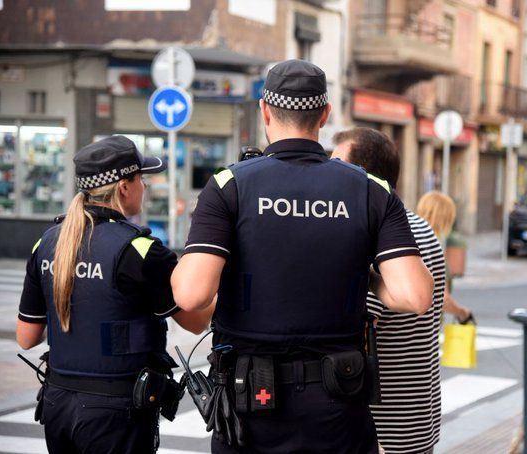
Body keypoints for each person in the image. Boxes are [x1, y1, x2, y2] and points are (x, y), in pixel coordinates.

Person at [171, 59, 434, 453]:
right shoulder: (371, 191)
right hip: (338, 406)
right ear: (324, 114)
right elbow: (415, 297)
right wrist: (360, 269)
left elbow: (191, 296)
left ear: (264, 111)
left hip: (251, 407)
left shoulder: (229, 186)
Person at [16, 136, 215, 454]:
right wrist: (216, 280)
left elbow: (26, 337)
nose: (145, 188)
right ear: (125, 186)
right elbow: (195, 320)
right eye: (142, 179)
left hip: (58, 404)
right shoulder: (140, 251)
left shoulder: (47, 244)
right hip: (117, 414)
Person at [332, 127, 445, 454]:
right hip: (414, 418)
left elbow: (353, 324)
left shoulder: (387, 239)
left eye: (336, 165)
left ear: (360, 177)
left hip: (384, 429)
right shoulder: (417, 226)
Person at [416, 191, 473, 323]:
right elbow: (443, 299)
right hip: (424, 330)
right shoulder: (433, 247)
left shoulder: (408, 237)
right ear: (446, 218)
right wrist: (463, 313)